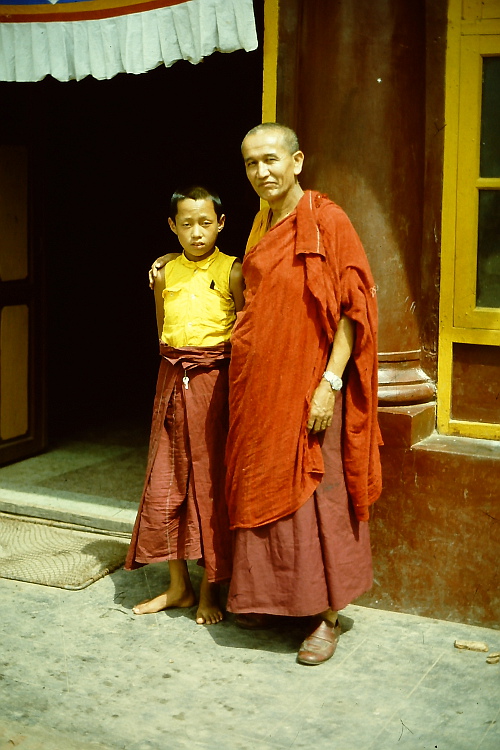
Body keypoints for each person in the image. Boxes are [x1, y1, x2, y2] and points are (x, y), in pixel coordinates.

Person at [151, 124, 382, 663]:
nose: (263, 172)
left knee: (315, 494)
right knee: (263, 488)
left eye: (272, 160)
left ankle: (325, 619)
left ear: (297, 161)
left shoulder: (328, 219)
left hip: (308, 384)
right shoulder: (261, 222)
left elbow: (353, 308)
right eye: (252, 164)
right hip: (260, 385)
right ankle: (275, 601)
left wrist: (330, 382)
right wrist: (167, 264)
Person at [126, 185, 244, 625]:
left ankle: (211, 589)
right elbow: (162, 330)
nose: (198, 232)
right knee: (166, 481)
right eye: (187, 224)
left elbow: (246, 333)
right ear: (173, 227)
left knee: (208, 483)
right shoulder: (163, 273)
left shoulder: (235, 272)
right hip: (173, 378)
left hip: (215, 383)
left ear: (222, 224)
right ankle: (178, 586)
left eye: (206, 223)